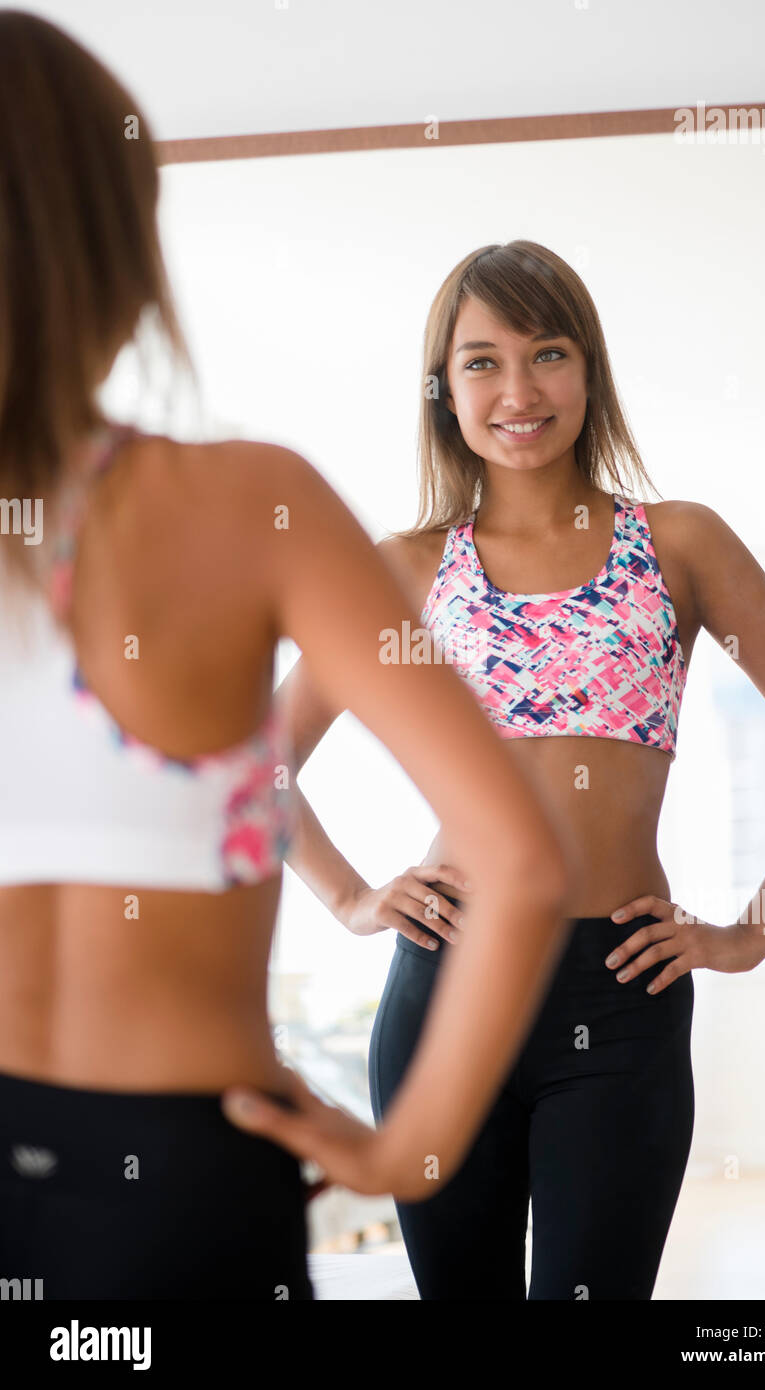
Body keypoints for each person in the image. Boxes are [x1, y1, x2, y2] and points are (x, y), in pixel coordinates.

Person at [0, 15, 573, 1300]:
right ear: (118, 247)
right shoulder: (249, 502)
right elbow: (523, 856)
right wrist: (409, 1150)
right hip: (179, 1171)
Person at [226, 239, 765, 1300]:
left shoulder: (678, 545)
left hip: (618, 991)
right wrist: (347, 898)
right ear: (443, 389)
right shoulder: (405, 566)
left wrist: (748, 932)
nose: (516, 390)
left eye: (547, 353)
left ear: (588, 371)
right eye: (480, 361)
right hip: (444, 986)